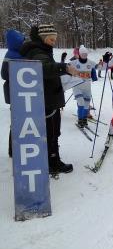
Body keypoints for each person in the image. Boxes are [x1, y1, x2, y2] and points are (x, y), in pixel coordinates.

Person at [20, 24, 80, 174]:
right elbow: (44, 68)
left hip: (48, 98)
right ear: (43, 38)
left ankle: (50, 160)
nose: (54, 42)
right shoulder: (38, 52)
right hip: (47, 101)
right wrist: (64, 68)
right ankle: (53, 163)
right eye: (51, 39)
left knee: (52, 132)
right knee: (52, 133)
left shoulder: (42, 50)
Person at [1, 29, 25, 157]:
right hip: (16, 93)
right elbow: (4, 74)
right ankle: (13, 149)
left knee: (19, 121)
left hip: (20, 93)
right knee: (17, 121)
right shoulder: (11, 55)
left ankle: (15, 148)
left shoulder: (18, 53)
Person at [69, 45, 97, 127]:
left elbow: (98, 67)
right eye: (83, 54)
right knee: (80, 102)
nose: (84, 56)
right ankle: (80, 119)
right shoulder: (74, 62)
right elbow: (65, 67)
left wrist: (105, 63)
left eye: (86, 54)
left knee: (86, 104)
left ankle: (84, 119)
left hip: (87, 87)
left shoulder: (90, 62)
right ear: (80, 54)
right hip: (77, 86)